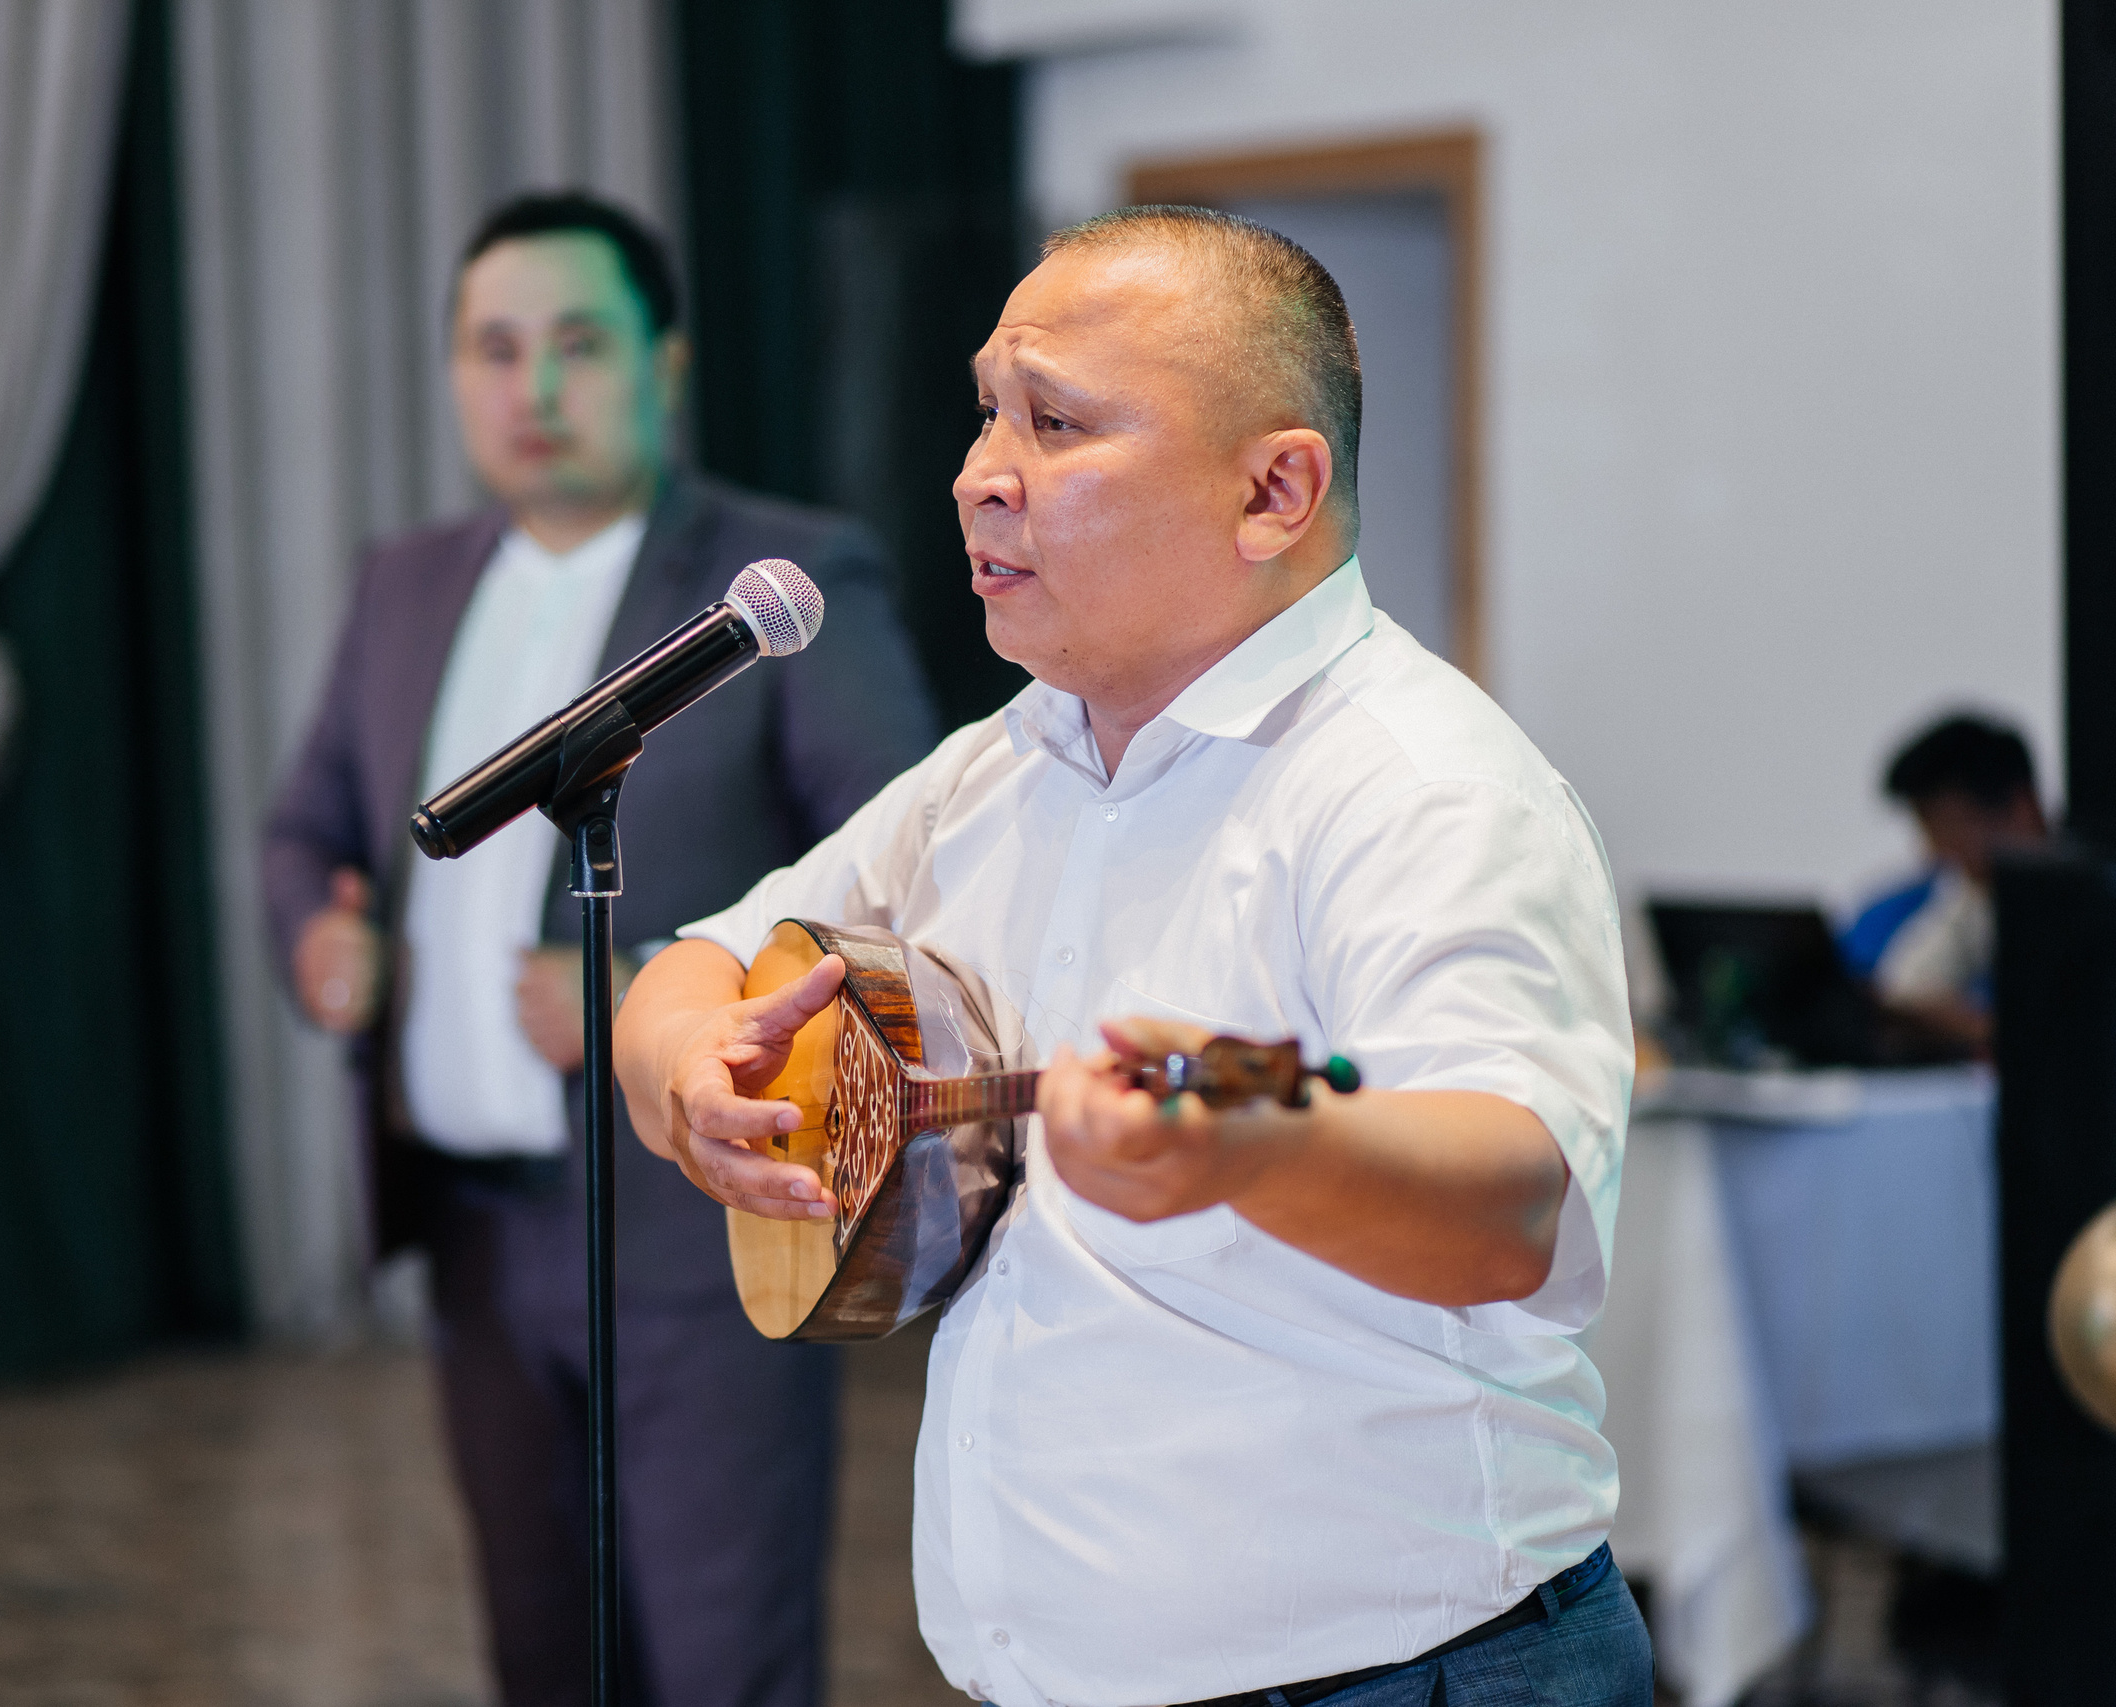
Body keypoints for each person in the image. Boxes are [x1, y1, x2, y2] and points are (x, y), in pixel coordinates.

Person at [616, 207, 1650, 1707]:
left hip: (1403, 1675)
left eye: (1056, 421)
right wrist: (686, 1075)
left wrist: (1249, 1136)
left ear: (1273, 491)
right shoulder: (1001, 766)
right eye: (985, 410)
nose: (980, 471)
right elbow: (690, 962)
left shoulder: (1421, 784)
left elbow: (1514, 1193)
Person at [261, 192, 936, 1707]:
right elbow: (303, 823)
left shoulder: (782, 579)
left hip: (694, 1224)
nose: (534, 387)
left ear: (666, 365)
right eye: (496, 350)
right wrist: (319, 930)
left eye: (577, 344)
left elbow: (912, 870)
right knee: (542, 1652)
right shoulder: (406, 581)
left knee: (718, 1660)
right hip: (479, 1236)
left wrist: (654, 1000)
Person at [1840, 713, 2049, 1052]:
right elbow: (1906, 990)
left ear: (2020, 808)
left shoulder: (2090, 907)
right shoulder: (1971, 900)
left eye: (1950, 827)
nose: (1935, 851)